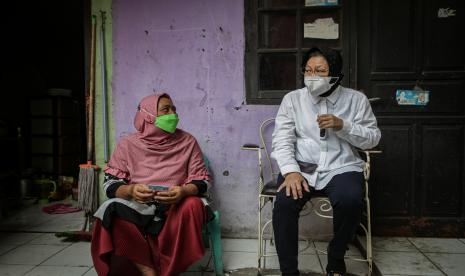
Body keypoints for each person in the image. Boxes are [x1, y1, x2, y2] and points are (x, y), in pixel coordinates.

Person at [271, 47, 381, 276]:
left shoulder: (356, 100)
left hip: (341, 165)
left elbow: (372, 139)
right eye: (308, 70)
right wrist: (291, 171)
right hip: (302, 167)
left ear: (336, 74)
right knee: (283, 204)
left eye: (320, 71)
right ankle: (289, 271)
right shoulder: (292, 100)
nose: (312, 77)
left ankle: (336, 257)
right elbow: (282, 139)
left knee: (350, 200)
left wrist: (344, 126)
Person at [91, 93, 211, 276]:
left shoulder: (188, 141)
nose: (173, 114)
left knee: (193, 205)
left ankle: (169, 270)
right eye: (165, 110)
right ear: (148, 116)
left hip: (174, 204)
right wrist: (130, 190)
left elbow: (203, 181)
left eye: (174, 109)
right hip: (139, 205)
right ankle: (148, 271)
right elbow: (110, 185)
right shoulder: (127, 144)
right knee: (110, 209)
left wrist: (184, 191)